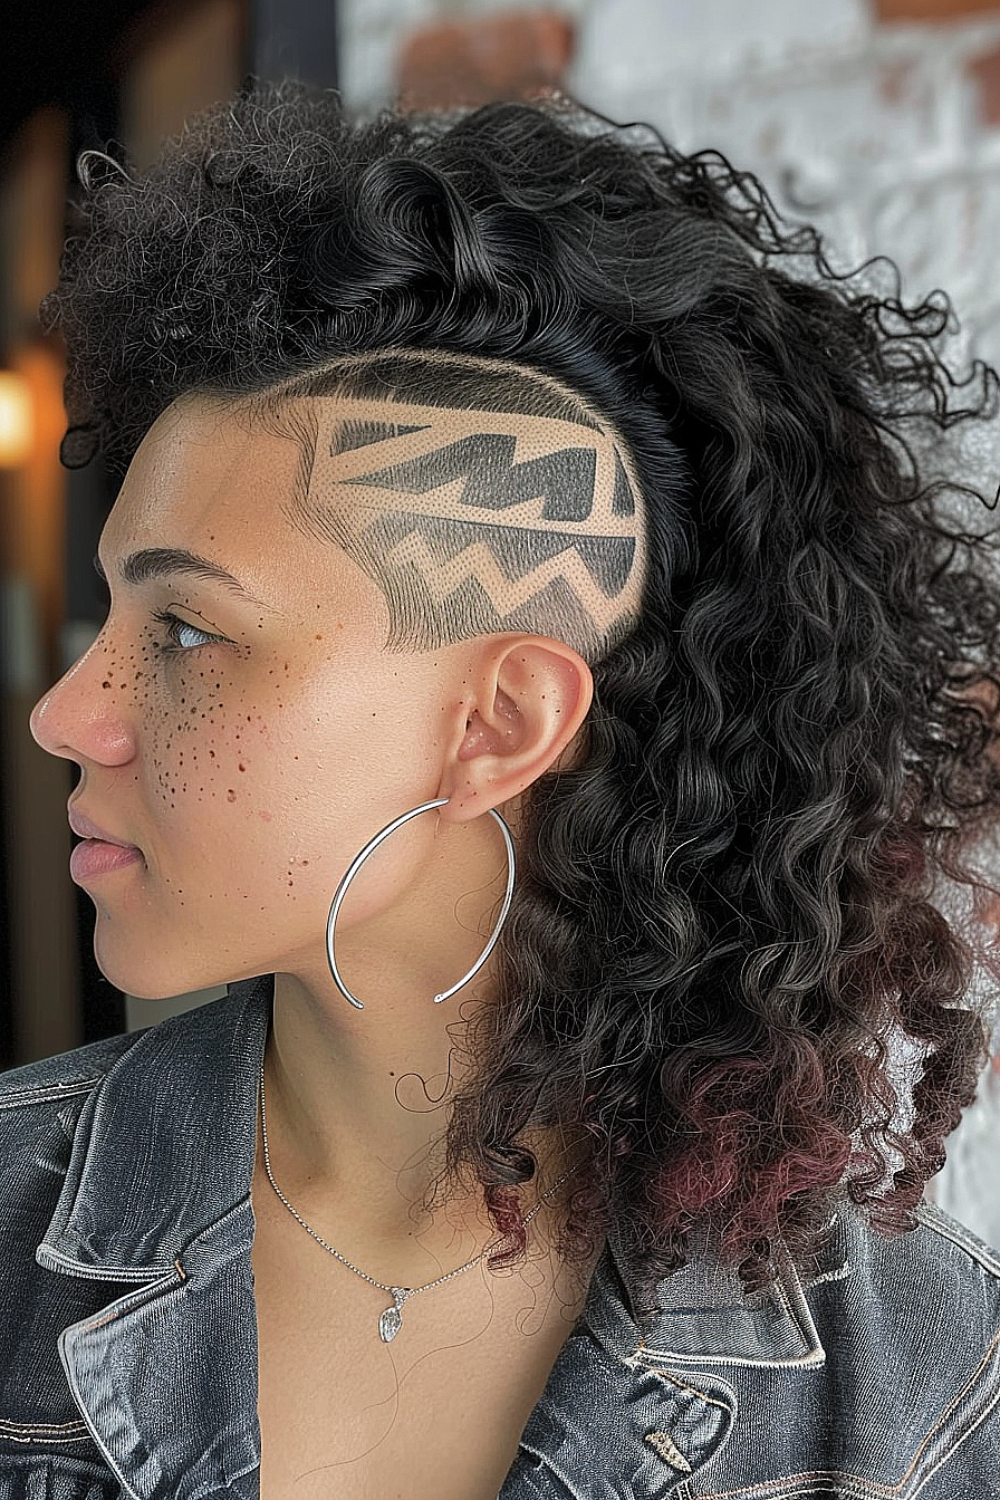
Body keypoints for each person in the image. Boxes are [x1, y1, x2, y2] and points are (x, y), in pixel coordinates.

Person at [2, 76, 1000, 1500]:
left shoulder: (925, 1385)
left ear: (499, 725)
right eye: (110, 620)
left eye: (183, 630)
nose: (66, 713)